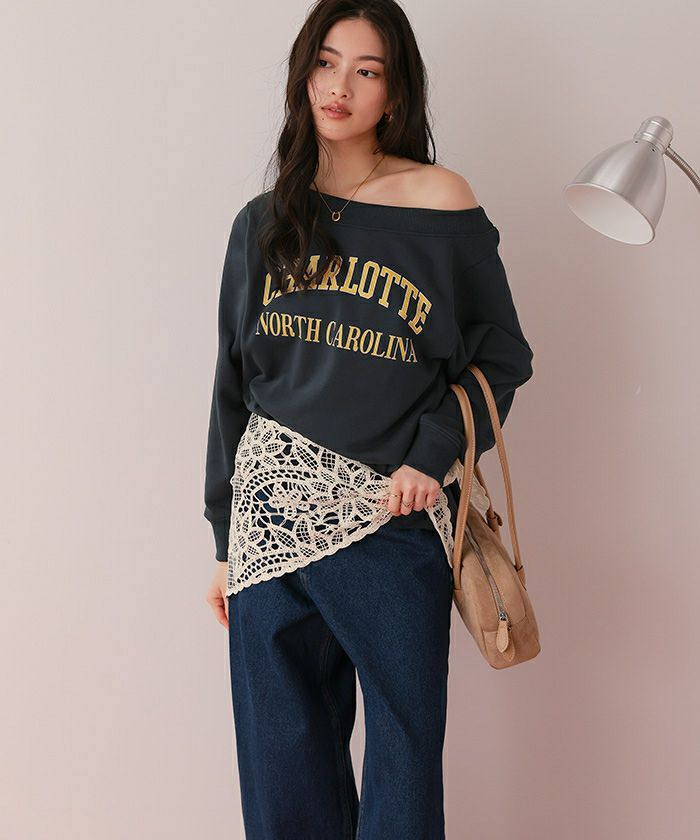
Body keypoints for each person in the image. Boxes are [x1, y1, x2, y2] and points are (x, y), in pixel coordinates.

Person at [203, 1, 534, 837]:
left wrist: (433, 452)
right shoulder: (263, 223)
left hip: (393, 519)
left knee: (404, 765)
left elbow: (502, 356)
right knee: (283, 773)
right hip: (271, 522)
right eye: (325, 62)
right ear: (302, 74)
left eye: (365, 70)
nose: (338, 86)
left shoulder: (439, 204)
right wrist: (224, 540)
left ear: (394, 93)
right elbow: (233, 388)